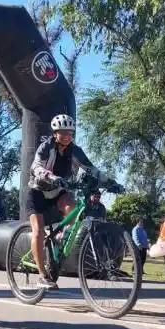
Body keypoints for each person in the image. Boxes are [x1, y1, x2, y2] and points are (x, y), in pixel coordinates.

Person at [25, 113, 123, 289]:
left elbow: (91, 169)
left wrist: (111, 183)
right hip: (37, 191)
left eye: (69, 132)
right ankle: (42, 275)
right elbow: (35, 167)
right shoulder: (46, 147)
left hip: (58, 191)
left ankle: (61, 237)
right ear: (55, 133)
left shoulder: (74, 150)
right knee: (38, 231)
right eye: (62, 132)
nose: (66, 136)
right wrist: (51, 176)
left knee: (73, 208)